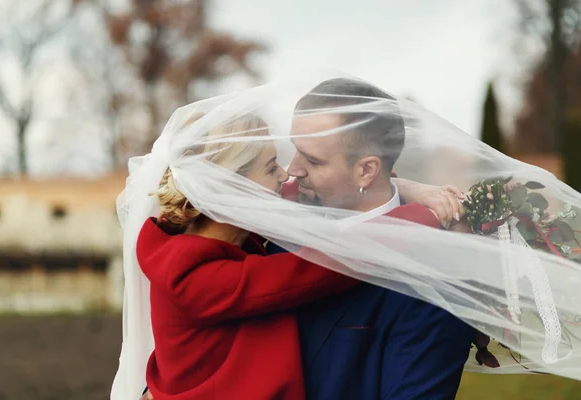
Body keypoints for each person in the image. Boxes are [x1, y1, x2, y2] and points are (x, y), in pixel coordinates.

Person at [135, 114, 452, 400]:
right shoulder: (196, 279)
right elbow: (322, 267)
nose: (287, 175)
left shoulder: (215, 241)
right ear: (229, 189)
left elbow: (300, 193)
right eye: (272, 167)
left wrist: (402, 186)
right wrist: (421, 217)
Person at [274, 78, 475, 399]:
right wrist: (409, 185)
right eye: (294, 151)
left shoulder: (432, 288)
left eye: (312, 160)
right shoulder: (273, 235)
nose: (292, 170)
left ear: (366, 170)